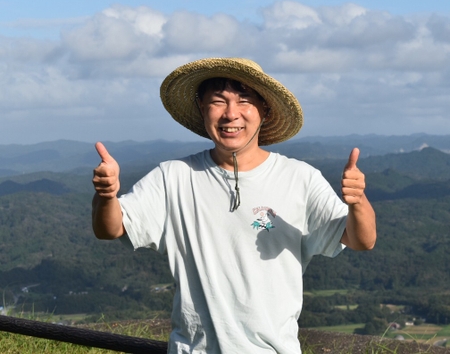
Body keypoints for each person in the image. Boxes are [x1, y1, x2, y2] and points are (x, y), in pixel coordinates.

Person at [91, 57, 376, 354]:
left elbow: (362, 239)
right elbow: (111, 228)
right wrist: (106, 196)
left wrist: (358, 201)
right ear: (203, 109)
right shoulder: (172, 177)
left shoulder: (300, 179)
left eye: (244, 101)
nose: (231, 114)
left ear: (264, 110)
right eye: (218, 101)